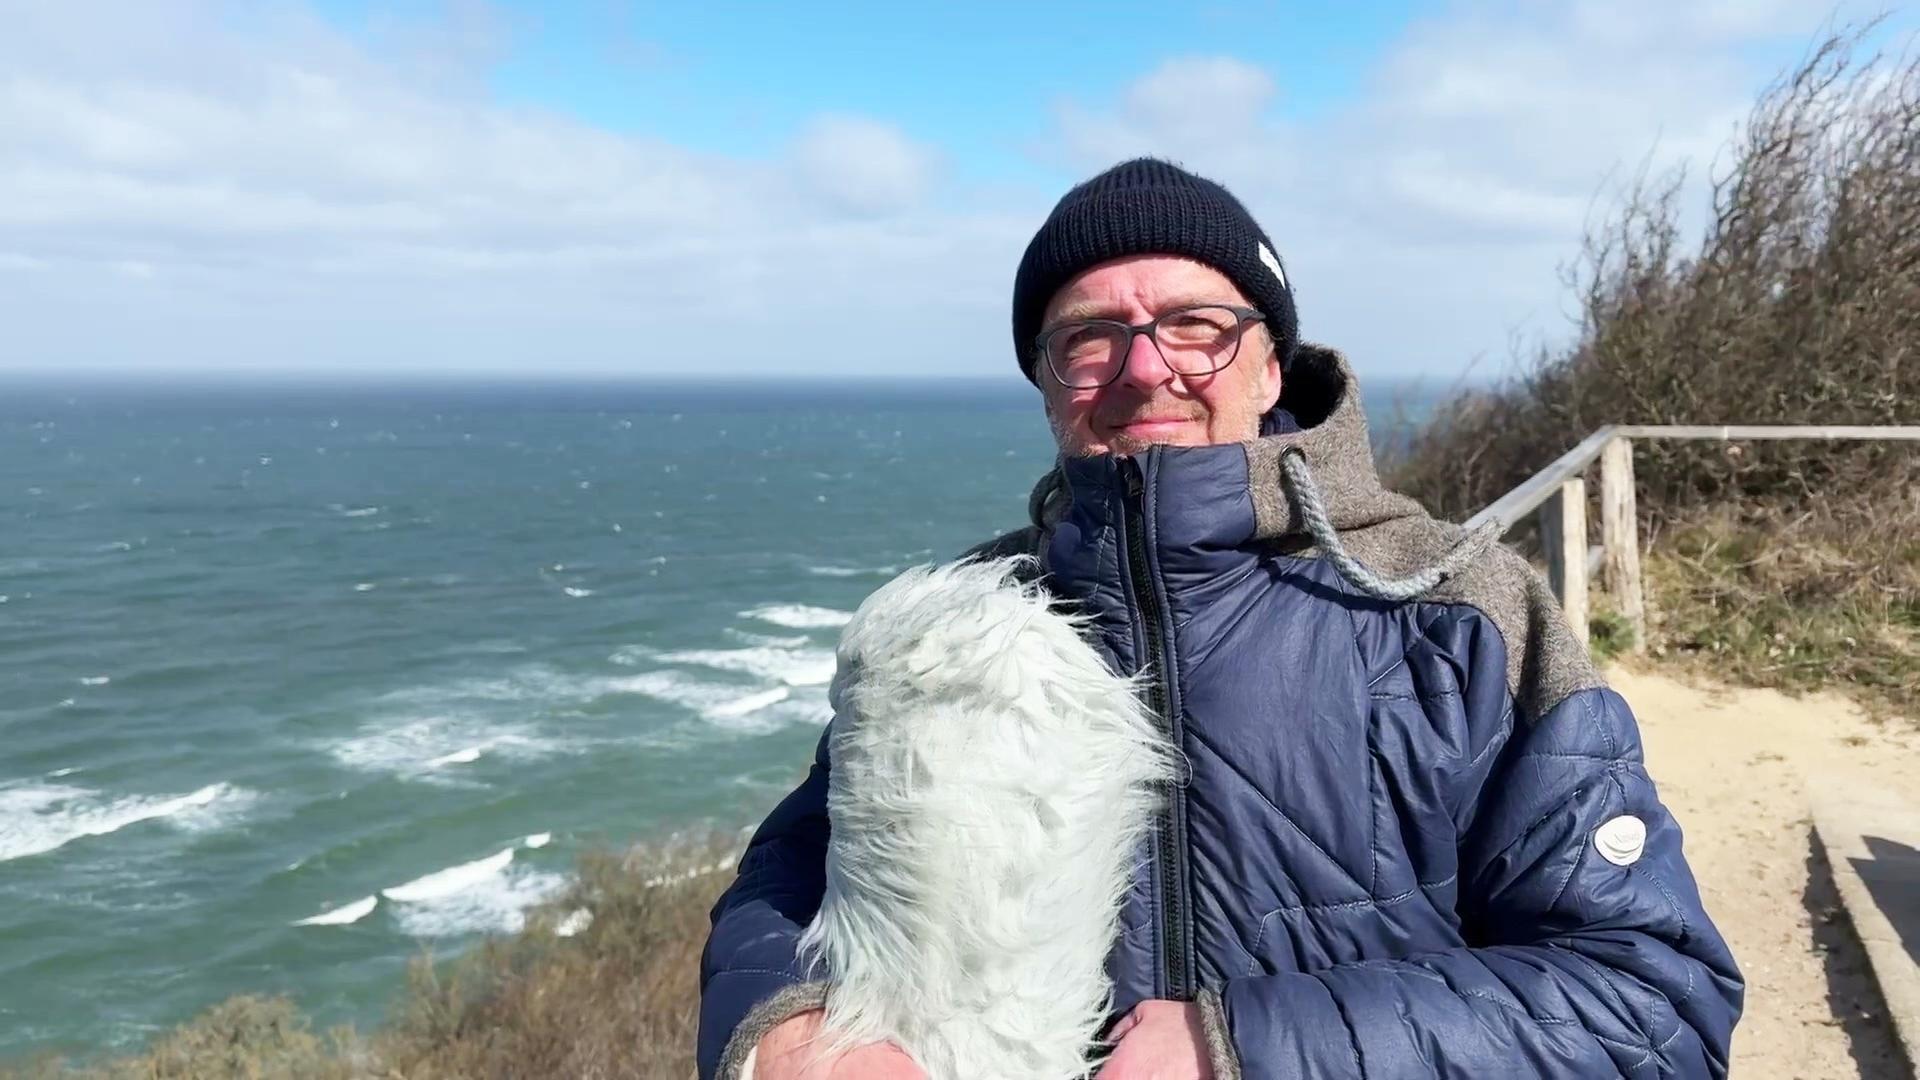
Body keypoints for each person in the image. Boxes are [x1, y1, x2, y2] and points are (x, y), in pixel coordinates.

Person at [697, 158, 1744, 1080]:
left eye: (1195, 326)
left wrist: (1246, 1047)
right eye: (1089, 337)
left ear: (1272, 363)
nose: (1145, 367)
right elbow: (786, 876)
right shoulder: (950, 629)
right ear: (1048, 384)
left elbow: (1653, 1002)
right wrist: (779, 1028)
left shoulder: (1463, 608)